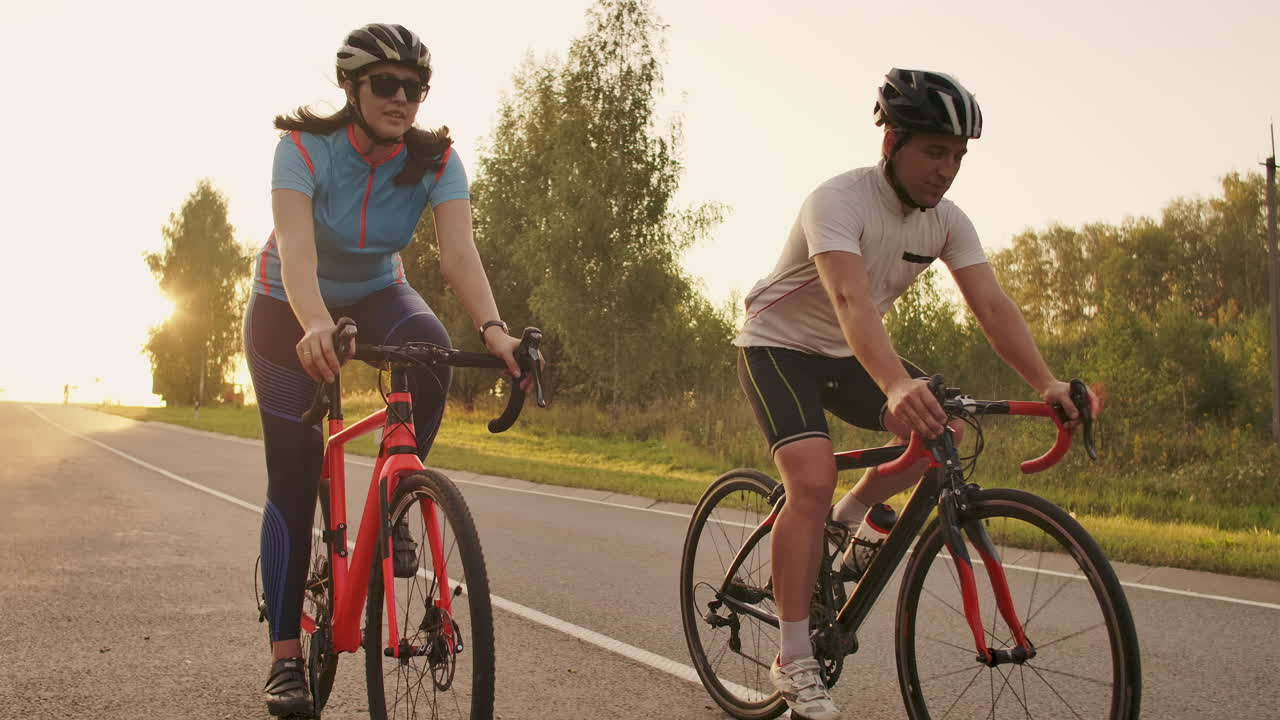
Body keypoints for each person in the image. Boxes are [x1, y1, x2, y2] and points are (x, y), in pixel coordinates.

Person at [732, 68, 1098, 720]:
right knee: (809, 481)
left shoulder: (947, 221)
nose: (947, 170)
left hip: (849, 353)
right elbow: (848, 299)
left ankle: (857, 511)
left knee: (946, 429)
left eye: (958, 156)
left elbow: (991, 304)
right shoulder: (837, 201)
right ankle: (792, 658)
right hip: (778, 346)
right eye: (935, 151)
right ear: (892, 141)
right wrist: (896, 382)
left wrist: (1047, 383)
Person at [244, 23, 529, 717]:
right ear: (352, 87)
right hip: (288, 306)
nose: (403, 99)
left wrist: (496, 333)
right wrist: (315, 323)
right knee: (293, 467)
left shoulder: (437, 161)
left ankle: (395, 499)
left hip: (377, 293)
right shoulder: (303, 150)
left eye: (415, 87)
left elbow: (459, 257)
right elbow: (298, 251)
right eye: (387, 85)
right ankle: (286, 658)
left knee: (430, 350)